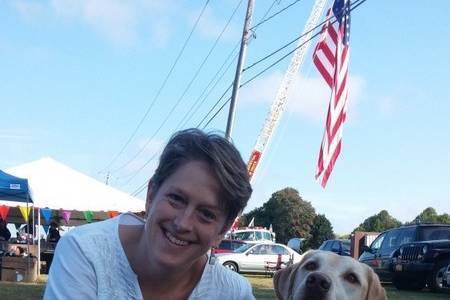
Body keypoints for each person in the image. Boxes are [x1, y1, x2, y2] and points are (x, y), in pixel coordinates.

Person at [44, 128, 254, 300]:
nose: (183, 223)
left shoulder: (233, 293)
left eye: (206, 214)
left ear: (223, 231)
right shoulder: (86, 253)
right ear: (151, 194)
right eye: (176, 199)